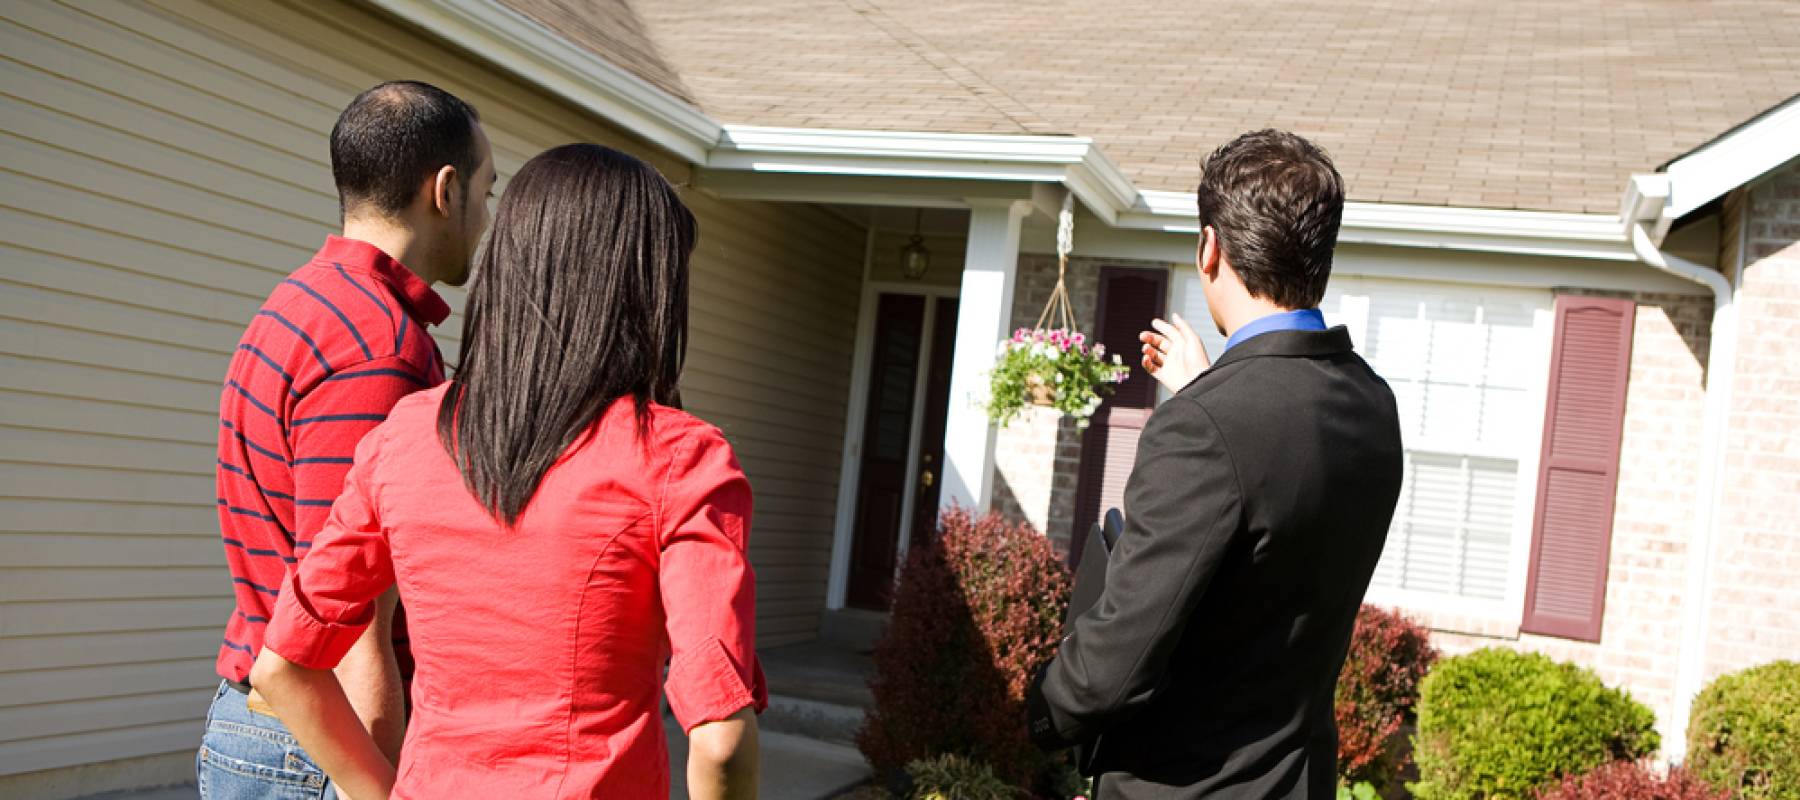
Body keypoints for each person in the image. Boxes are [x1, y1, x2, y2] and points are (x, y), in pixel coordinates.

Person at [248, 143, 766, 799]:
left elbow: (282, 667)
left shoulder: (407, 435)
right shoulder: (679, 458)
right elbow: (720, 742)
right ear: (645, 292)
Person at [1025, 129, 1405, 798]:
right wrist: (1209, 390)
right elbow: (1274, 486)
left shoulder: (1206, 428)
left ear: (1209, 249)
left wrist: (1039, 708)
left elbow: (1115, 667)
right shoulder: (1372, 404)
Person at [201, 80, 493, 797]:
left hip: (271, 725)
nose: (486, 218)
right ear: (446, 190)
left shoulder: (300, 300)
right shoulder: (376, 348)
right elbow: (348, 605)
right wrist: (379, 781)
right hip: (321, 743)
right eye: (488, 190)